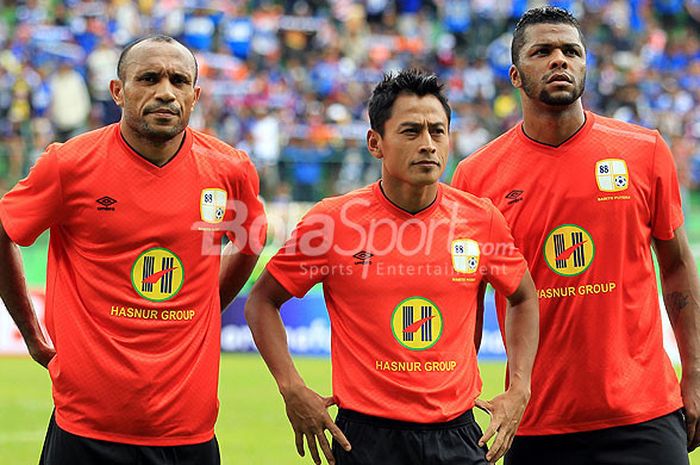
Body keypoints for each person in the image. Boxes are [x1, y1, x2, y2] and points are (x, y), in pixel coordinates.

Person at [245, 69, 540, 465]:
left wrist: (519, 387)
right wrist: (292, 388)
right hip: (365, 441)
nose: (428, 145)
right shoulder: (332, 222)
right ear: (375, 143)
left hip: (461, 437)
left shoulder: (480, 219)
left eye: (438, 131)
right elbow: (262, 301)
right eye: (411, 131)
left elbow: (523, 296)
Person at [0, 34, 266, 465]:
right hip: (85, 429)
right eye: (149, 78)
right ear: (118, 91)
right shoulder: (69, 165)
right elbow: (3, 231)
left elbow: (250, 243)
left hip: (189, 430)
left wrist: (208, 304)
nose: (165, 92)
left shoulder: (229, 170)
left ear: (195, 96)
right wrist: (32, 334)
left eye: (179, 81)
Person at [452, 7, 700, 465]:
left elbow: (679, 266)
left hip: (645, 416)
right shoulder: (476, 177)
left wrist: (697, 375)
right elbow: (465, 301)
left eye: (571, 51)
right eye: (542, 52)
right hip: (535, 422)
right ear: (514, 74)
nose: (559, 60)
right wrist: (456, 404)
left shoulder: (644, 152)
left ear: (586, 65)